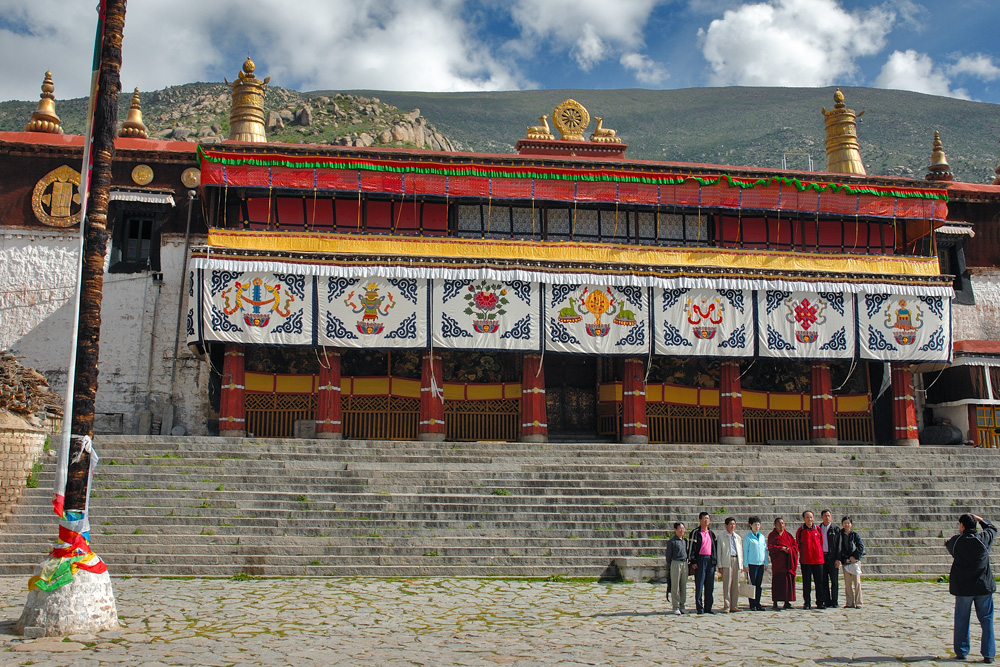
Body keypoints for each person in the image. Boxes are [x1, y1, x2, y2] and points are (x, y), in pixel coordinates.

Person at [946, 513, 997, 663]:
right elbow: (992, 528)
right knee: (987, 620)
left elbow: (949, 545)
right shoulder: (983, 539)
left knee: (961, 619)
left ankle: (961, 651)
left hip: (963, 588)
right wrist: (980, 519)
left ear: (962, 526)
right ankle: (989, 654)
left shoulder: (956, 542)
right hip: (983, 586)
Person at [687, 511, 718, 614]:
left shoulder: (711, 533)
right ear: (700, 520)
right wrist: (693, 561)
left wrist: (714, 561)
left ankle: (708, 607)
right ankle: (699, 607)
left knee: (710, 585)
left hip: (710, 560)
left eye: (708, 518)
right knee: (699, 584)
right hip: (700, 560)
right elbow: (691, 548)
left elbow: (714, 548)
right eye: (704, 518)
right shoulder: (695, 533)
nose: (706, 520)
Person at [767, 517, 798, 610]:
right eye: (779, 524)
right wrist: (781, 548)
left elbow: (795, 546)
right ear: (775, 525)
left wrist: (790, 550)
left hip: (787, 563)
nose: (781, 526)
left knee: (787, 582)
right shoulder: (772, 535)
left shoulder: (788, 535)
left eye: (783, 523)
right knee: (777, 582)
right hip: (778, 563)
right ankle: (775, 602)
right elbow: (771, 547)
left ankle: (787, 601)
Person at [796, 510, 824, 610]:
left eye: (811, 517)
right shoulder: (801, 530)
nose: (810, 519)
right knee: (806, 583)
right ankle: (807, 602)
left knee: (819, 582)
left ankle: (820, 602)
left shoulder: (818, 529)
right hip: (806, 560)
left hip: (818, 560)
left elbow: (821, 542)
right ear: (804, 519)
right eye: (807, 517)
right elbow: (798, 543)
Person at [717, 517, 744, 612]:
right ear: (726, 525)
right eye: (730, 524)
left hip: (736, 560)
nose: (732, 526)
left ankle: (734, 605)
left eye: (734, 524)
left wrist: (741, 564)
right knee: (727, 584)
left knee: (735, 585)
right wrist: (719, 565)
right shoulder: (721, 537)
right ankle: (727, 605)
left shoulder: (738, 537)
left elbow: (740, 551)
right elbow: (719, 552)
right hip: (726, 561)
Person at [743, 516, 769, 611]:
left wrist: (765, 562)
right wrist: (746, 564)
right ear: (751, 525)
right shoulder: (747, 537)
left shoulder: (762, 537)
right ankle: (752, 604)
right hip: (751, 564)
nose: (757, 526)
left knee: (759, 584)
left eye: (758, 524)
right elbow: (745, 551)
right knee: (752, 584)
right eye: (755, 525)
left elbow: (764, 550)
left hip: (760, 564)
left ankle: (758, 602)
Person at [839, 516, 865, 609]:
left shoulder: (855, 534)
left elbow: (861, 547)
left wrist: (855, 557)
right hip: (845, 561)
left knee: (857, 583)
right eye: (845, 523)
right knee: (848, 583)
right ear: (842, 524)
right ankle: (849, 602)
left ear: (851, 524)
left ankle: (859, 602)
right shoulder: (840, 534)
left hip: (855, 562)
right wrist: (845, 557)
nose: (846, 525)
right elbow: (839, 548)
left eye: (848, 523)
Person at [818, 509, 842, 608]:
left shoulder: (835, 529)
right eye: (825, 516)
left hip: (832, 557)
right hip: (822, 557)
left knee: (834, 581)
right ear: (822, 517)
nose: (827, 517)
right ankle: (826, 600)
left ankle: (835, 601)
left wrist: (837, 559)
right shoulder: (818, 528)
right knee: (823, 581)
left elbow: (839, 545)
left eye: (828, 515)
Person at [665, 522, 689, 615]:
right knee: (675, 586)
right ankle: (675, 606)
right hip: (675, 563)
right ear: (675, 530)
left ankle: (682, 605)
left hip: (684, 563)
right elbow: (668, 556)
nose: (682, 530)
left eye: (683, 528)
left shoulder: (685, 540)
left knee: (683, 585)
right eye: (680, 528)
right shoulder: (672, 541)